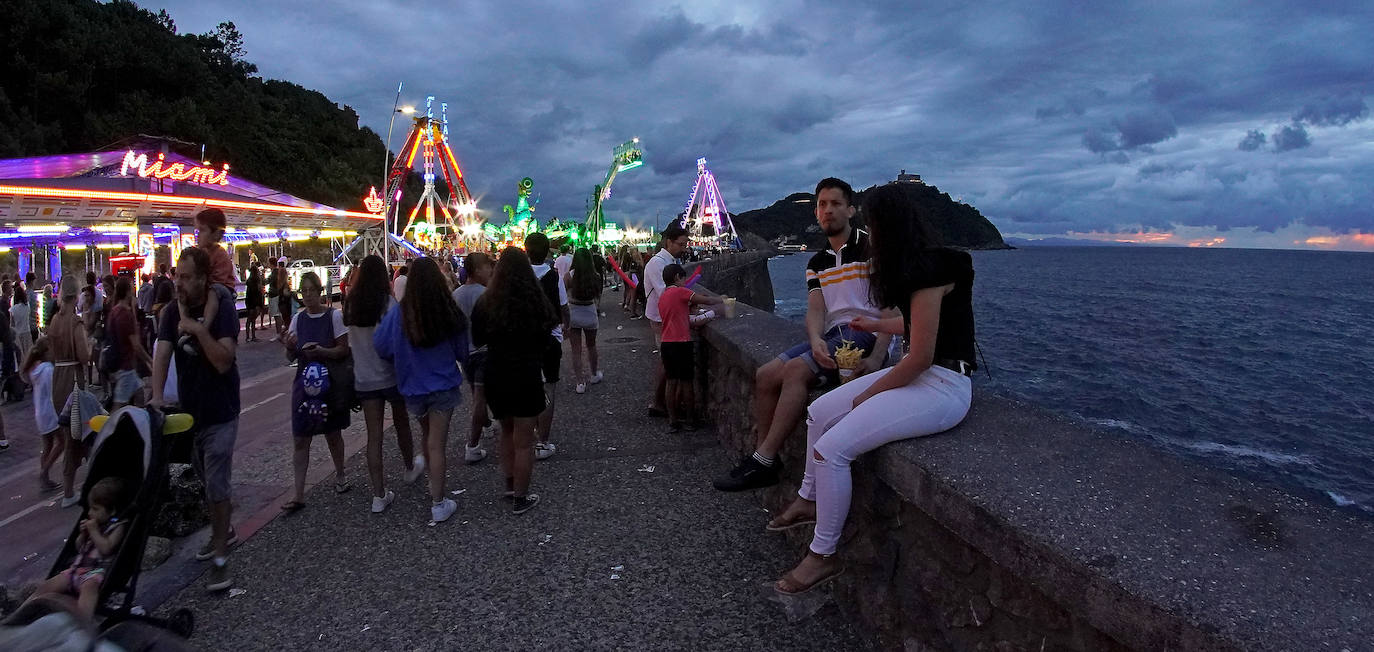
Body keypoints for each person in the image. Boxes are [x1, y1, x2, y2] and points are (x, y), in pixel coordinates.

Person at [771, 183, 976, 594]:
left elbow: (920, 357)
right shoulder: (926, 266)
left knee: (831, 450)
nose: (871, 236)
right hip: (922, 376)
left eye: (874, 226)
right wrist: (877, 324)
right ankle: (808, 498)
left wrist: (868, 394)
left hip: (943, 386)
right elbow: (919, 324)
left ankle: (822, 556)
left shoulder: (929, 272)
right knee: (818, 412)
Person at [713, 178, 891, 492]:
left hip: (866, 334)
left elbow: (890, 307)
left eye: (836, 204)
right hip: (836, 335)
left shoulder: (871, 250)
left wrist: (878, 356)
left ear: (851, 210)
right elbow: (816, 311)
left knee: (796, 370)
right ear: (816, 212)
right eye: (822, 205)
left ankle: (763, 459)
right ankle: (764, 457)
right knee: (766, 375)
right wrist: (816, 339)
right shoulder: (816, 263)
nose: (828, 210)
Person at [151, 246, 241, 593]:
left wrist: (198, 331)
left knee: (217, 483)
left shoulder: (223, 308)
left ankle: (220, 560)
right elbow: (162, 352)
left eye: (187, 277)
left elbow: (223, 361)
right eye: (178, 275)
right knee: (205, 479)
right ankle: (224, 530)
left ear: (203, 279)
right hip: (191, 415)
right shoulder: (172, 311)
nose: (179, 283)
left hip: (221, 410)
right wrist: (157, 396)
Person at [373, 257, 469, 524]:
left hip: (412, 387)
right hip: (443, 385)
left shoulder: (400, 313)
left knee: (427, 436)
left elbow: (381, 346)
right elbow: (463, 351)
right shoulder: (447, 309)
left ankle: (432, 484)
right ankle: (438, 501)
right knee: (437, 444)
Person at [472, 247, 553, 514]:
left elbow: (477, 339)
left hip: (497, 372)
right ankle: (521, 496)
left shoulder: (486, 302)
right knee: (525, 440)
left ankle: (509, 484)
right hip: (527, 372)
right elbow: (547, 335)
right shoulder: (535, 300)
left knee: (506, 431)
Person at [345, 255, 421, 514]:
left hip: (365, 378)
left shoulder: (351, 305)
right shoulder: (388, 304)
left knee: (374, 436)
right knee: (402, 423)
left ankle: (379, 495)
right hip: (390, 375)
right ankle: (409, 467)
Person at [280, 272, 351, 512]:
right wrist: (290, 347)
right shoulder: (297, 320)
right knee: (301, 437)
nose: (308, 295)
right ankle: (299, 493)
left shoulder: (334, 316)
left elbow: (343, 349)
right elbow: (290, 356)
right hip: (304, 385)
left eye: (312, 290)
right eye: (304, 291)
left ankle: (340, 474)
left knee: (333, 433)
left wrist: (321, 351)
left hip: (329, 384)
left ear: (320, 292)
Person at [31, 477, 127, 616]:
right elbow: (79, 548)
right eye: (90, 508)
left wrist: (94, 531)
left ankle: (82, 620)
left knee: (89, 589)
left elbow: (106, 548)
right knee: (47, 586)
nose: (90, 513)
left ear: (112, 511)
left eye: (95, 509)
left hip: (95, 573)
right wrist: (82, 535)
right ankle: (25, 610)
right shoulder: (95, 524)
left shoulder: (118, 526)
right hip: (75, 570)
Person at [656, 264, 723, 431]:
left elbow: (679, 315)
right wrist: (721, 300)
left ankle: (672, 421)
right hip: (682, 343)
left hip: (666, 344)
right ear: (677, 277)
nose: (685, 282)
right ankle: (690, 420)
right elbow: (705, 300)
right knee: (686, 382)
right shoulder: (680, 292)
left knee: (671, 382)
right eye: (683, 279)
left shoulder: (663, 296)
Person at [524, 233, 569, 461]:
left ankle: (529, 432)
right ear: (547, 252)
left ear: (526, 250)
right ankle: (543, 441)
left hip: (525, 339)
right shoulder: (553, 276)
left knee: (529, 387)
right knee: (549, 387)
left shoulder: (519, 277)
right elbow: (563, 306)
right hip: (550, 337)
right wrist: (566, 325)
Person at [47, 277, 90, 508]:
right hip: (73, 378)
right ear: (76, 296)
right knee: (77, 434)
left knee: (67, 433)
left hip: (58, 377)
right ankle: (69, 491)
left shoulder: (55, 320)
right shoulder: (75, 322)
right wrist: (91, 348)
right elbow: (83, 356)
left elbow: (51, 353)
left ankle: (69, 488)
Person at [643, 223, 690, 417]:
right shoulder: (657, 263)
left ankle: (663, 402)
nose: (684, 248)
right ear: (669, 242)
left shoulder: (668, 261)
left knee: (667, 361)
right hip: (661, 317)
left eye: (685, 245)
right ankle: (658, 403)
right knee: (666, 362)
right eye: (681, 244)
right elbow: (666, 293)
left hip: (665, 316)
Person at [452, 252, 493, 464]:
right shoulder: (485, 294)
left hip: (464, 354)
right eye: (487, 267)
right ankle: (473, 445)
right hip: (484, 351)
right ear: (477, 270)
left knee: (477, 395)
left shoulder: (455, 295)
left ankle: (487, 425)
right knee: (480, 399)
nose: (490, 270)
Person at [106, 277, 151, 410]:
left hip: (122, 364)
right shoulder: (125, 314)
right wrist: (149, 360)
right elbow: (135, 344)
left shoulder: (115, 311)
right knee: (119, 405)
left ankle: (137, 417)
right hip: (126, 366)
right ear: (127, 292)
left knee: (139, 393)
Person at [23, 337, 61, 486]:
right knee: (62, 442)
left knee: (48, 445)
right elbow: (53, 393)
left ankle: (45, 478)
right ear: (47, 352)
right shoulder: (48, 370)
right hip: (50, 412)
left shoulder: (35, 370)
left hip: (40, 412)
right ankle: (45, 471)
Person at [566, 248, 603, 394]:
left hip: (573, 312)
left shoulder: (569, 276)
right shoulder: (595, 276)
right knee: (591, 345)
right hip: (589, 311)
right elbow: (598, 296)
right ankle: (594, 374)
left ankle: (580, 382)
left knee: (576, 350)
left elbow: (563, 293)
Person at [244, 265, 263, 342]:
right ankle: (253, 336)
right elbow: (258, 291)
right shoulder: (256, 280)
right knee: (253, 319)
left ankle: (247, 336)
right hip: (254, 301)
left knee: (249, 319)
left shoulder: (249, 280)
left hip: (249, 301)